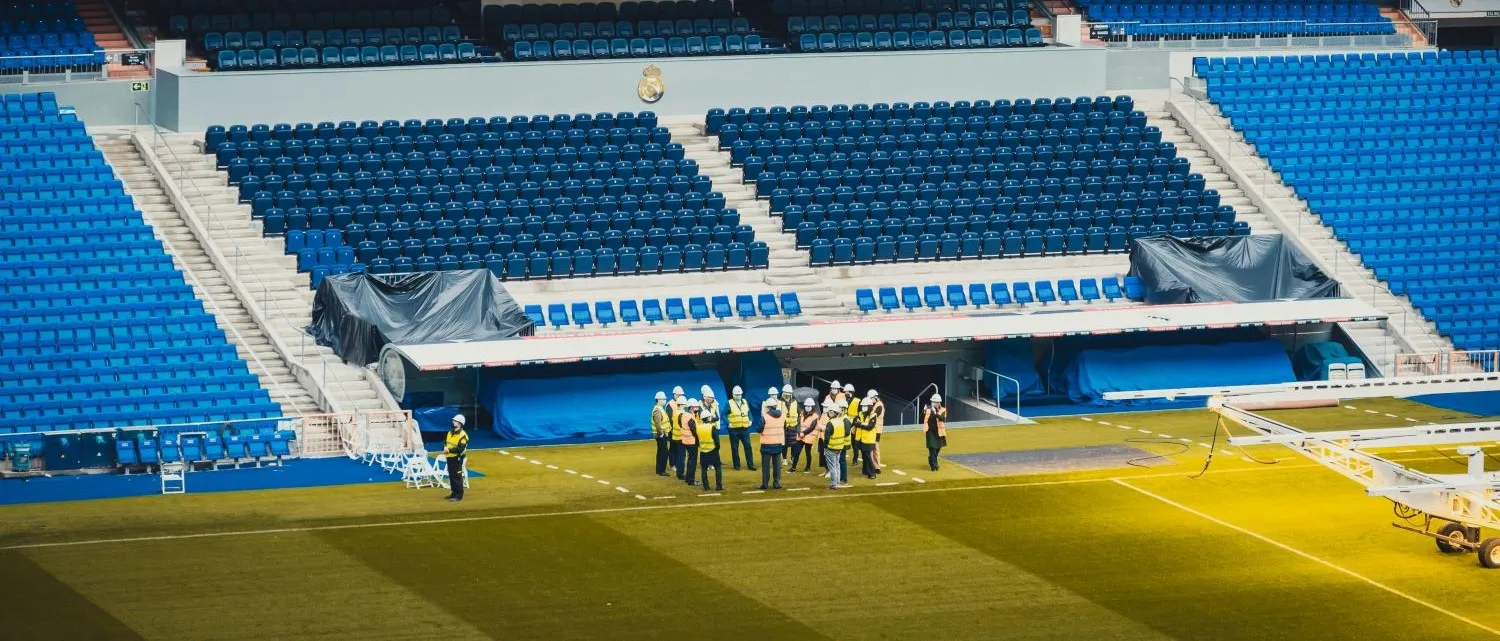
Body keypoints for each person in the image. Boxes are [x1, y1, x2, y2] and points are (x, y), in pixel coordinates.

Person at [691, 399, 723, 492]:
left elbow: (696, 441)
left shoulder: (698, 428)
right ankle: (719, 486)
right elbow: (717, 440)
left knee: (704, 470)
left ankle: (706, 486)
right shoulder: (712, 427)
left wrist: (701, 447)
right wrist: (717, 448)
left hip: (703, 452)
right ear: (709, 418)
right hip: (713, 451)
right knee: (718, 468)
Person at [758, 389, 786, 490]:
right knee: (777, 466)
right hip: (778, 443)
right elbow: (784, 426)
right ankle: (776, 483)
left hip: (766, 444)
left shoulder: (764, 417)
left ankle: (765, 484)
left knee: (766, 467)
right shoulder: (782, 416)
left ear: (769, 407)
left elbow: (759, 429)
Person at [725, 385, 756, 471]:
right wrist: (728, 423)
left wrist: (751, 420)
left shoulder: (745, 402)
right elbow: (723, 414)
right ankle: (737, 465)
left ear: (742, 394)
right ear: (733, 395)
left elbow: (749, 412)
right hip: (734, 430)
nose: (738, 396)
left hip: (744, 429)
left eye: (739, 394)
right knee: (735, 448)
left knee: (748, 447)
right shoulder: (729, 403)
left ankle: (750, 465)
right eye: (736, 395)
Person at [823, 400, 852, 489]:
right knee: (837, 465)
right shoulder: (841, 421)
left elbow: (827, 438)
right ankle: (838, 482)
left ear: (833, 413)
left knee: (832, 467)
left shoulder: (830, 423)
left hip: (831, 447)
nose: (828, 413)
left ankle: (833, 484)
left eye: (830, 412)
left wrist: (825, 446)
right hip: (839, 447)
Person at [442, 414, 469, 502]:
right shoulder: (450, 432)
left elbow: (460, 448)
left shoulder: (463, 435)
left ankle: (459, 494)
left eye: (455, 421)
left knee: (457, 476)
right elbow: (445, 441)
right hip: (450, 457)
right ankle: (454, 492)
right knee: (452, 476)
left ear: (460, 423)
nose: (453, 422)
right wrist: (445, 446)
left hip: (457, 458)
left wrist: (448, 449)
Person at [789, 397, 818, 472]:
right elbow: (798, 424)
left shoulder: (815, 416)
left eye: (809, 406)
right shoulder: (802, 414)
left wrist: (803, 433)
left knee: (808, 452)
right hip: (801, 436)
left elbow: (812, 427)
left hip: (808, 437)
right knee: (797, 452)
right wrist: (799, 432)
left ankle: (808, 468)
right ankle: (793, 467)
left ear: (812, 407)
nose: (808, 407)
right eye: (806, 406)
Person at [854, 397, 880, 479]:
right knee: (864, 456)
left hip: (869, 439)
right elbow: (855, 422)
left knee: (868, 456)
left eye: (865, 406)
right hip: (861, 439)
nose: (863, 407)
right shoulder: (860, 413)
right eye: (862, 406)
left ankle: (872, 473)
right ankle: (865, 471)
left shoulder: (873, 415)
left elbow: (870, 427)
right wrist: (862, 424)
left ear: (870, 406)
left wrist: (860, 424)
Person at [923, 393, 948, 472]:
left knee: (937, 448)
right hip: (930, 432)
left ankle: (932, 460)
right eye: (933, 402)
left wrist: (936, 413)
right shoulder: (929, 409)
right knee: (932, 448)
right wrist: (924, 410)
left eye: (935, 402)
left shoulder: (943, 410)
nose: (933, 403)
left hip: (939, 432)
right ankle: (934, 466)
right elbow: (922, 418)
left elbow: (942, 418)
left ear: (939, 403)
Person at [678, 395, 699, 484]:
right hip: (692, 441)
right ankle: (691, 480)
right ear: (691, 407)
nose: (697, 408)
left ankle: (688, 478)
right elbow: (694, 430)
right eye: (696, 407)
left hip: (685, 441)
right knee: (692, 461)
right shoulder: (690, 417)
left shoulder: (684, 415)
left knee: (690, 460)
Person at [652, 391, 672, 476]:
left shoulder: (659, 408)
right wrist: (661, 434)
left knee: (661, 452)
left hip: (661, 434)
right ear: (658, 400)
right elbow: (658, 423)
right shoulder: (658, 409)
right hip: (661, 435)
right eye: (663, 399)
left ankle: (659, 470)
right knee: (664, 452)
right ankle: (662, 470)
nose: (664, 400)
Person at [668, 385, 687, 478]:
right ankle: (672, 464)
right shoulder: (670, 404)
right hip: (673, 431)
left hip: (678, 432)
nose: (680, 396)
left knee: (677, 451)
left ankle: (676, 465)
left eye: (681, 395)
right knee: (673, 449)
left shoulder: (682, 403)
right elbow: (669, 419)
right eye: (679, 395)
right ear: (674, 394)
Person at [866, 389, 886, 471]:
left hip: (876, 430)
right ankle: (874, 465)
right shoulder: (876, 404)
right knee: (873, 448)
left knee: (874, 448)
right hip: (874, 429)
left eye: (871, 399)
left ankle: (876, 466)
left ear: (875, 397)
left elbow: (874, 415)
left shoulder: (879, 405)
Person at [779, 385, 797, 467]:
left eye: (788, 393)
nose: (787, 395)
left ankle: (793, 458)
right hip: (783, 427)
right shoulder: (779, 402)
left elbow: (799, 413)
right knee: (784, 444)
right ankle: (784, 459)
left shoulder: (794, 402)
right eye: (785, 393)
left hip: (793, 426)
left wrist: (797, 423)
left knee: (794, 444)